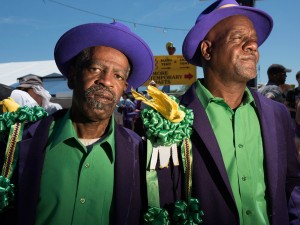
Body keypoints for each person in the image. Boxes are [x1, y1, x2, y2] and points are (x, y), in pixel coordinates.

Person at [155, 0, 300, 224]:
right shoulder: (168, 121)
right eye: (238, 38)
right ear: (207, 49)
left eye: (253, 40)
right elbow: (163, 200)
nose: (252, 46)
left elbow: (291, 181)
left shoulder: (277, 114)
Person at [0, 21, 154, 225]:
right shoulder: (19, 141)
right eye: (96, 69)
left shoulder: (141, 153)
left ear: (124, 88)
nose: (106, 81)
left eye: (117, 76)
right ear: (72, 77)